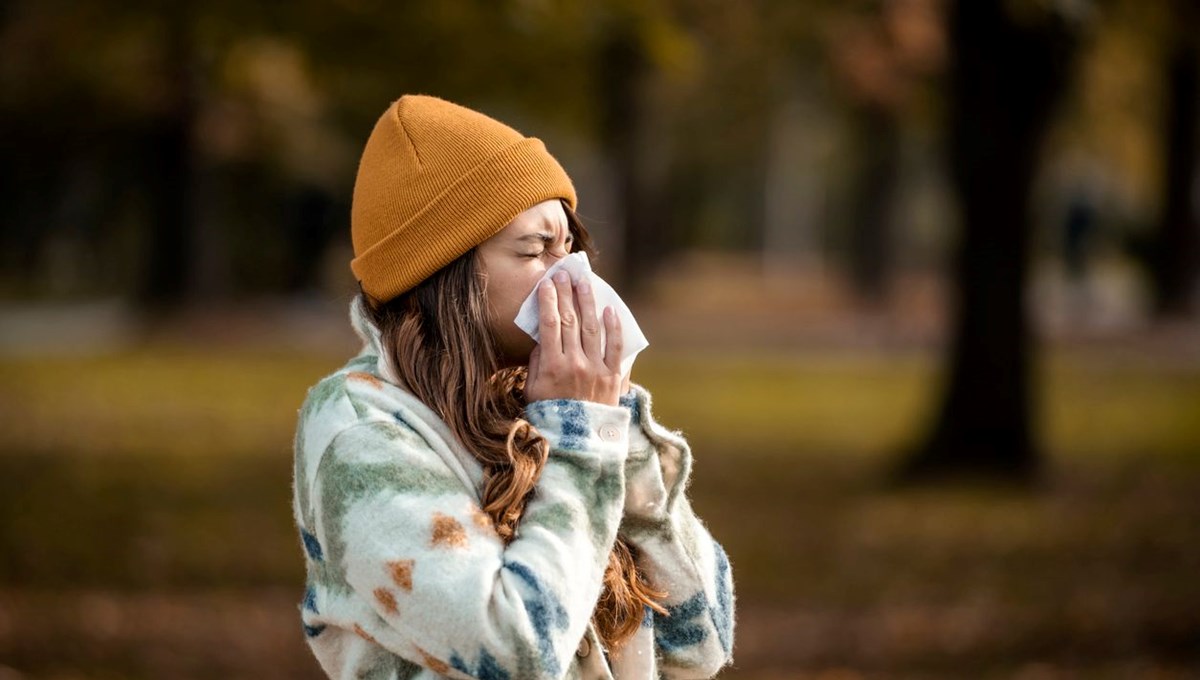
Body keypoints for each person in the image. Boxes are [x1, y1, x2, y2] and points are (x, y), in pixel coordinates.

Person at [292, 94, 734, 680]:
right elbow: (515, 651)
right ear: (442, 275)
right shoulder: (360, 429)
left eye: (570, 246)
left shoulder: (543, 402)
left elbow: (698, 645)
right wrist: (580, 439)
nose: (572, 275)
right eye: (534, 250)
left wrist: (614, 427)